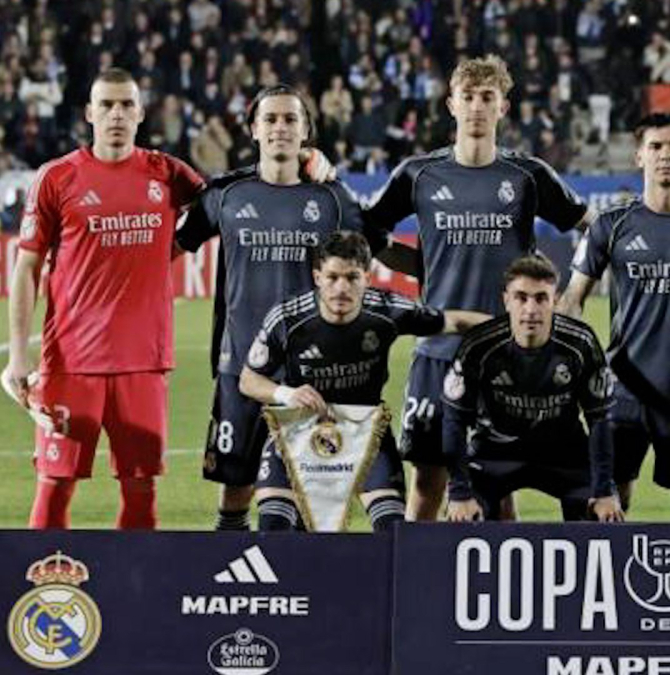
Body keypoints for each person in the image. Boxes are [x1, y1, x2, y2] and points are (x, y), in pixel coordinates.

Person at [363, 55, 590, 522]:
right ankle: (416, 564)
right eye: (468, 97)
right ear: (451, 104)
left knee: (499, 483)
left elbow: (595, 229)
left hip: (507, 357)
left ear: (503, 106)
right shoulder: (418, 174)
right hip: (438, 350)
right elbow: (370, 233)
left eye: (488, 97)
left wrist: (572, 295)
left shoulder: (527, 175)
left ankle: (500, 571)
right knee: (427, 480)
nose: (477, 106)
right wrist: (423, 267)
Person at [175, 84, 388, 531]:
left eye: (291, 119)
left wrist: (434, 269)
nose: (280, 127)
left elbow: (379, 247)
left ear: (306, 130)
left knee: (310, 496)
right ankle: (230, 561)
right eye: (270, 119)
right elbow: (170, 248)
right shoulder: (225, 194)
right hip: (240, 365)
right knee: (235, 489)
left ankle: (302, 570)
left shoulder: (332, 198)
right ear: (253, 129)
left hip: (311, 371)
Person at [1, 68, 204, 529]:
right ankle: (46, 575)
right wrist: (18, 356)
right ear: (89, 113)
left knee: (141, 488)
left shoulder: (167, 172)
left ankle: (134, 578)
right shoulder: (57, 177)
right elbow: (26, 267)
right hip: (70, 363)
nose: (117, 114)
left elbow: (223, 202)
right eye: (107, 105)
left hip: (144, 363)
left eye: (126, 105)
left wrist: (308, 159)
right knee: (55, 486)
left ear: (141, 113)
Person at [238, 231, 489, 531]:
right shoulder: (287, 318)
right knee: (273, 528)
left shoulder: (387, 310)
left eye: (352, 277)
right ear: (317, 277)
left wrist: (512, 327)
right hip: (298, 430)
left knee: (392, 530)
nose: (341, 288)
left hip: (365, 431)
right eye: (332, 277)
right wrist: (286, 394)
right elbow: (249, 380)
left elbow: (454, 321)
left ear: (367, 278)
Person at [560, 111, 670, 521]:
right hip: (624, 390)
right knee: (607, 500)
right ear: (639, 156)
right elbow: (572, 300)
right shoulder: (611, 225)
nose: (665, 155)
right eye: (655, 147)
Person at [442, 255, 623, 523]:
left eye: (541, 298)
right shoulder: (479, 346)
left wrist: (603, 491)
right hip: (494, 455)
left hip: (565, 455)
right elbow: (454, 421)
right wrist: (459, 492)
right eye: (521, 298)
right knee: (464, 519)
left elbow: (599, 419)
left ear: (555, 301)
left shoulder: (580, 343)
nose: (531, 309)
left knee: (602, 518)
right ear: (506, 300)